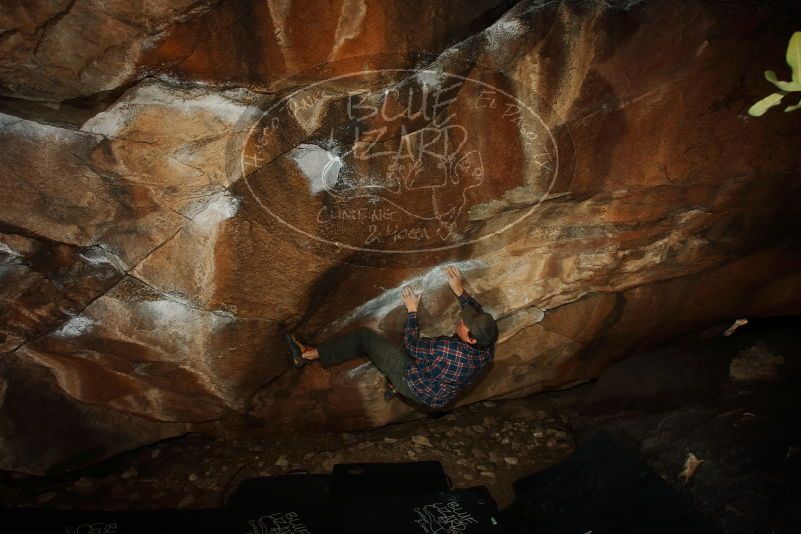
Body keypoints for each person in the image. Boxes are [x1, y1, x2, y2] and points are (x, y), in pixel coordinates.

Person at [285, 266, 498, 409]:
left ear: (471, 339)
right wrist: (461, 293)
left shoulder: (447, 350)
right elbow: (477, 311)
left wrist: (412, 311)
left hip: (415, 385)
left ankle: (306, 355)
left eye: (464, 323)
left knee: (364, 338)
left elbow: (411, 345)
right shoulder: (487, 348)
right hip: (440, 395)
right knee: (428, 361)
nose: (461, 320)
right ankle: (394, 386)